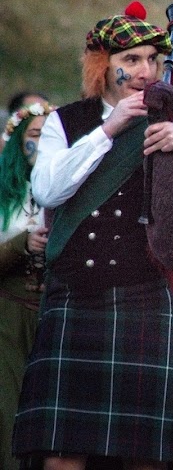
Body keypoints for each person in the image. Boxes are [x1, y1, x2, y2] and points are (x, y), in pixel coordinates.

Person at [11, 2, 173, 470]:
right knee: (63, 454)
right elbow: (47, 189)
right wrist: (111, 129)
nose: (145, 72)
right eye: (131, 61)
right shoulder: (67, 122)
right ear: (104, 67)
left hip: (147, 293)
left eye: (153, 60)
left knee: (148, 453)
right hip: (75, 296)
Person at [0, 101, 53, 470]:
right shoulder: (5, 198)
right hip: (10, 315)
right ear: (19, 142)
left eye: (50, 137)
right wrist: (23, 244)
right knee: (10, 407)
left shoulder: (68, 190)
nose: (43, 144)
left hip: (57, 313)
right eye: (36, 136)